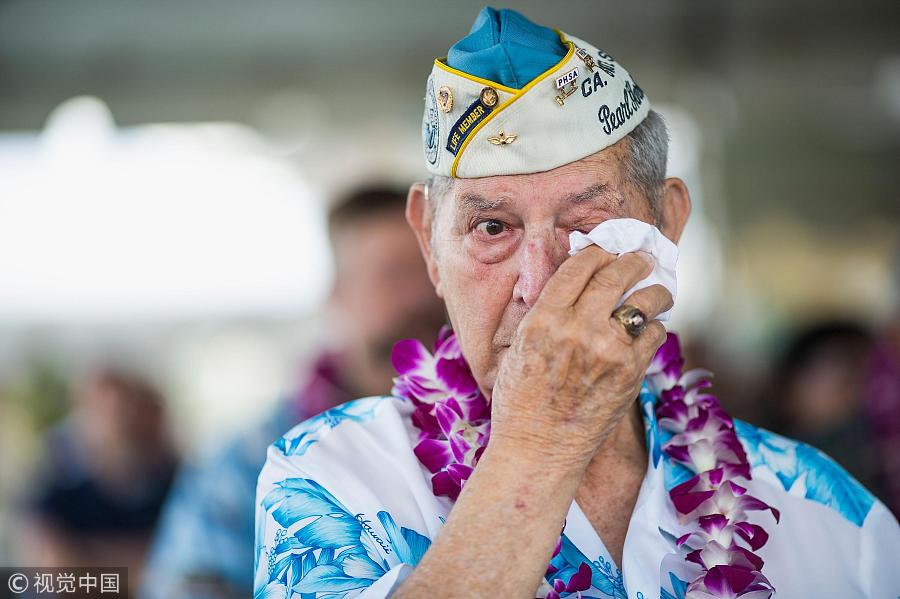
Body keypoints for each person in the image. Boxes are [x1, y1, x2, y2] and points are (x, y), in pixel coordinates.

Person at [254, 8, 900, 599]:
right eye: (492, 229)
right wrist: (542, 440)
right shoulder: (333, 475)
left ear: (669, 223)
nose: (538, 284)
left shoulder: (824, 510)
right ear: (430, 243)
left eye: (589, 228)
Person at [140, 187, 445, 599]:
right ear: (338, 294)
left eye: (431, 268)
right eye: (393, 274)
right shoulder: (249, 461)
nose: (421, 294)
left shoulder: (487, 429)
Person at [23, 367, 177, 597]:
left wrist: (87, 555)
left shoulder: (173, 485)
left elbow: (178, 570)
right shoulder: (56, 489)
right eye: (102, 411)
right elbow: (54, 573)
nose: (114, 423)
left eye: (123, 410)